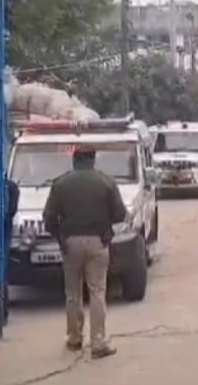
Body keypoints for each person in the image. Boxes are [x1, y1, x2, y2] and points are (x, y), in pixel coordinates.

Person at [42, 145, 127, 359]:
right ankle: (98, 342)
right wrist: (105, 227)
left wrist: (60, 238)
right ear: (93, 159)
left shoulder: (61, 184)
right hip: (98, 242)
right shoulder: (106, 182)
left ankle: (74, 338)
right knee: (97, 292)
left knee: (73, 294)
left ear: (74, 160)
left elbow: (49, 218)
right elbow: (120, 214)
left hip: (70, 243)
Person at [2, 178, 20, 327]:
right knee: (1, 271)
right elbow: (12, 211)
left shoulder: (8, 187)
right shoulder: (10, 187)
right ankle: (2, 312)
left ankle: (1, 311)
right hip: (2, 233)